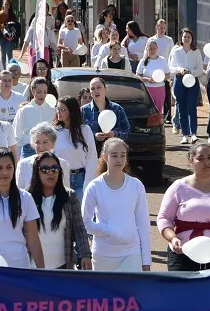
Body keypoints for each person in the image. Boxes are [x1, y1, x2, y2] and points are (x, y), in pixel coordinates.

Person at [81, 138, 151, 272]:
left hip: (131, 253)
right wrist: (109, 230)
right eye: (114, 155)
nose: (119, 159)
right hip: (103, 255)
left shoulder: (136, 185)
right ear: (105, 157)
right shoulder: (94, 187)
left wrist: (146, 260)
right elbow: (86, 222)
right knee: (104, 293)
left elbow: (143, 224)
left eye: (123, 155)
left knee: (130, 293)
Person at [26, 151, 91, 269]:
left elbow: (79, 229)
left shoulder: (70, 196)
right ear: (37, 172)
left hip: (62, 267)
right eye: (44, 169)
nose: (50, 172)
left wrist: (86, 255)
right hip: (31, 268)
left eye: (55, 168)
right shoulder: (26, 197)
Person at [53, 96, 97, 197]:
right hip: (61, 177)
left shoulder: (85, 130)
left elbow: (92, 158)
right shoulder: (55, 131)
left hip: (80, 178)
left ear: (72, 111)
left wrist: (88, 184)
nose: (58, 112)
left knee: (80, 211)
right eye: (57, 109)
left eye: (62, 109)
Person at [169, 28, 204, 144]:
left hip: (192, 81)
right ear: (181, 38)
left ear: (192, 38)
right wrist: (180, 70)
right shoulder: (176, 51)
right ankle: (185, 134)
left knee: (192, 108)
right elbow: (171, 67)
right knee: (182, 108)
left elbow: (199, 69)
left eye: (189, 37)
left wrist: (190, 73)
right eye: (184, 37)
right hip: (179, 80)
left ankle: (193, 134)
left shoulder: (196, 51)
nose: (187, 39)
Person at [81, 77, 130, 154]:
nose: (96, 91)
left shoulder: (117, 109)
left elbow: (126, 131)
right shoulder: (83, 110)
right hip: (90, 154)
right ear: (90, 92)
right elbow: (78, 133)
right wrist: (94, 136)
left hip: (112, 153)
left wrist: (114, 134)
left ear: (105, 89)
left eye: (99, 87)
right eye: (92, 89)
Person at [12, 77, 56, 159]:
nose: (42, 95)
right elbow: (16, 135)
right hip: (29, 149)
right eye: (39, 92)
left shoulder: (52, 110)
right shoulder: (24, 110)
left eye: (45, 92)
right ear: (32, 91)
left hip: (48, 150)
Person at [0, 0, 17, 69]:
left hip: (10, 35)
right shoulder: (0, 14)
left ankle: (11, 68)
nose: (7, 6)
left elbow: (16, 24)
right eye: (5, 4)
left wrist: (10, 25)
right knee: (3, 52)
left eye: (8, 4)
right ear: (3, 5)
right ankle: (3, 68)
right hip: (2, 35)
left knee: (9, 52)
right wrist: (6, 25)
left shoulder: (12, 14)